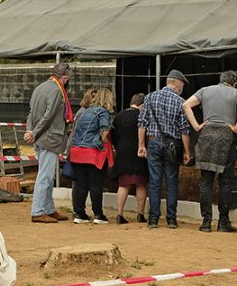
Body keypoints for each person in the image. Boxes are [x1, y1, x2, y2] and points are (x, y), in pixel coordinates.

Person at [183, 70, 237, 233]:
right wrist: (236, 128)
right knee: (225, 182)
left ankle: (206, 223)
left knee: (206, 182)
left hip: (206, 135)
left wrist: (197, 126)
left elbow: (186, 105)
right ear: (234, 83)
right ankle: (223, 222)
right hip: (226, 137)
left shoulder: (205, 90)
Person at [138, 70, 192, 229]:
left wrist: (141, 145)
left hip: (153, 142)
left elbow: (142, 123)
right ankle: (171, 219)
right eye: (182, 83)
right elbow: (184, 130)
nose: (182, 86)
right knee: (172, 182)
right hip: (173, 145)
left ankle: (153, 219)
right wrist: (187, 152)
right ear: (176, 83)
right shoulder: (181, 101)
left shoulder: (149, 97)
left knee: (154, 181)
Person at [24, 63, 73, 224]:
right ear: (64, 77)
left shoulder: (40, 88)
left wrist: (30, 130)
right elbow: (49, 115)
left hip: (41, 137)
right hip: (49, 137)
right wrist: (35, 132)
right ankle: (38, 211)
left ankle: (48, 209)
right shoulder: (56, 90)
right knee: (45, 176)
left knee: (47, 175)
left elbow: (31, 112)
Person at [68, 88, 115, 224]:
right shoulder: (103, 113)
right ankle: (98, 214)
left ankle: (79, 213)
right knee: (96, 184)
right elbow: (105, 132)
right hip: (93, 154)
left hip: (77, 152)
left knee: (81, 184)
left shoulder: (84, 112)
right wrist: (103, 141)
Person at [109, 93, 148, 224]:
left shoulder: (118, 116)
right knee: (140, 183)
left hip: (122, 152)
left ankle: (119, 214)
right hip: (138, 151)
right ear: (142, 105)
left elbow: (113, 135)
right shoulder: (142, 115)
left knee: (123, 184)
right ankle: (140, 214)